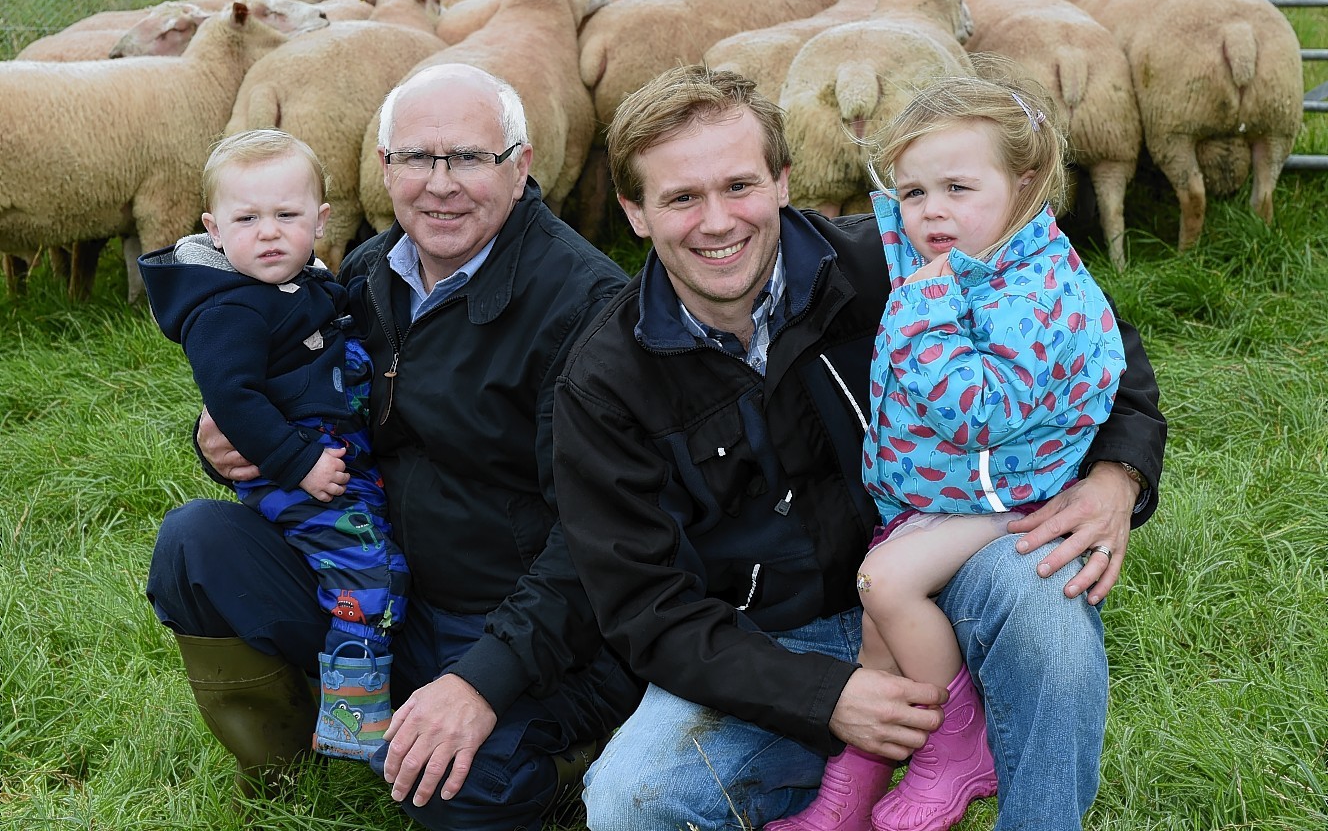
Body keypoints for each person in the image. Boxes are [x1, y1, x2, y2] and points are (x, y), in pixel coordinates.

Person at [552, 65, 1165, 831]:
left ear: (782, 181)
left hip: (940, 571)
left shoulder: (890, 259)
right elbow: (644, 606)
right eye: (681, 197)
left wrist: (1117, 473)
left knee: (1046, 585)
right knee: (629, 799)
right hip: (769, 644)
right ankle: (842, 777)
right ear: (634, 213)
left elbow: (1100, 342)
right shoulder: (605, 381)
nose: (717, 222)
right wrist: (820, 695)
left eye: (739, 185)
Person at [146, 63, 642, 830]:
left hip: (515, 622)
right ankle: (300, 756)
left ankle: (560, 757)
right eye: (416, 158)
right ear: (383, 169)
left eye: (470, 157)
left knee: (453, 791)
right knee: (195, 543)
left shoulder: (584, 308)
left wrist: (481, 681)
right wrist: (223, 440)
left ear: (522, 166)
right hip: (384, 584)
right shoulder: (375, 269)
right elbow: (296, 386)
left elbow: (595, 538)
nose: (439, 183)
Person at [772, 77, 1127, 831]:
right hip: (942, 491)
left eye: (957, 187)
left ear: (1023, 182)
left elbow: (980, 412)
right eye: (913, 190)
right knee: (876, 645)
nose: (931, 210)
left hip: (1004, 494)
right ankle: (850, 792)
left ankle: (954, 741)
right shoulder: (956, 254)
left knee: (885, 585)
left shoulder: (1026, 292)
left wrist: (925, 314)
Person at [139, 129, 408, 764]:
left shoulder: (307, 283)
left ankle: (342, 687)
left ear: (321, 219)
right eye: (247, 218)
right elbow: (232, 399)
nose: (268, 233)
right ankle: (352, 719)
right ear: (213, 227)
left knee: (374, 569)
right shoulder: (227, 309)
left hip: (329, 459)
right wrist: (297, 463)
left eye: (287, 216)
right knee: (367, 576)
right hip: (298, 467)